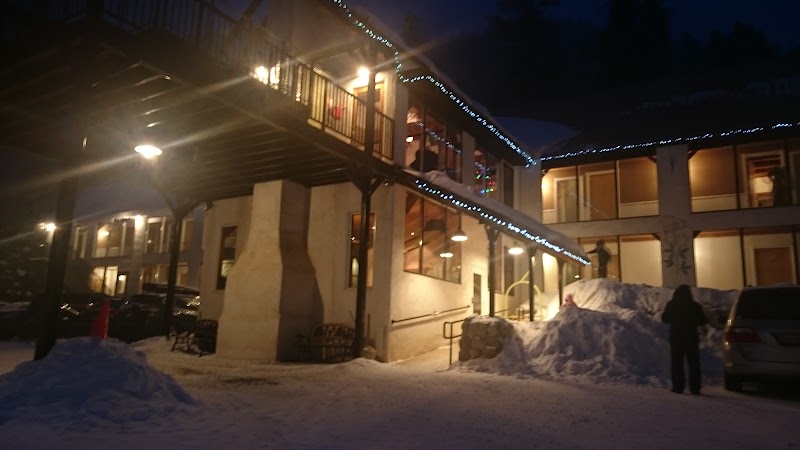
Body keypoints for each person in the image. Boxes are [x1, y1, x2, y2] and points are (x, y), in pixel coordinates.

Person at [661, 284, 708, 395]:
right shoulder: (695, 306)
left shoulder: (672, 305)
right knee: (694, 363)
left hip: (676, 337)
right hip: (691, 337)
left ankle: (678, 386)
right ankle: (695, 387)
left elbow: (665, 318)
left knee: (677, 362)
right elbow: (703, 320)